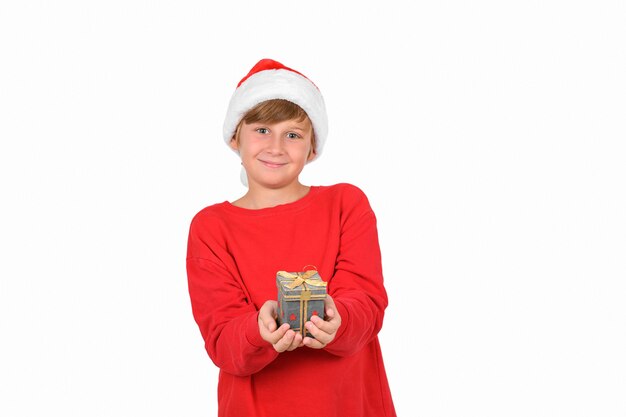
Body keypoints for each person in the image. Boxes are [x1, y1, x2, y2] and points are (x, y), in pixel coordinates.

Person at [186, 58, 396, 417]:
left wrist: (337, 317)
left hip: (349, 404)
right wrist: (258, 329)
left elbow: (366, 300)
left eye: (293, 134)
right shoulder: (211, 227)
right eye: (262, 130)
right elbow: (222, 338)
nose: (277, 146)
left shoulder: (346, 204)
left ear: (312, 148)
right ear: (235, 137)